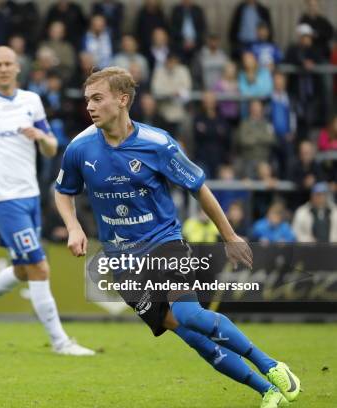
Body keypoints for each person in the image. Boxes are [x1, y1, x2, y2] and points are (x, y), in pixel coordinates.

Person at [54, 67, 300, 407]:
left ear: (122, 99)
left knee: (190, 315)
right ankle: (268, 391)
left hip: (163, 241)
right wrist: (74, 226)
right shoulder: (79, 148)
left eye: (98, 99)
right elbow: (62, 191)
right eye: (87, 100)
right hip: (122, 261)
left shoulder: (158, 144)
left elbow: (199, 189)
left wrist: (229, 236)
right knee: (192, 337)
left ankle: (270, 365)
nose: (90, 107)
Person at [0, 46, 94, 356]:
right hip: (3, 199)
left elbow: (52, 148)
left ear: (18, 67)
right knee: (40, 267)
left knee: (22, 268)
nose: (3, 68)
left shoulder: (32, 101)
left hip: (30, 195)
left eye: (8, 63)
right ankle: (60, 342)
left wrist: (41, 138)